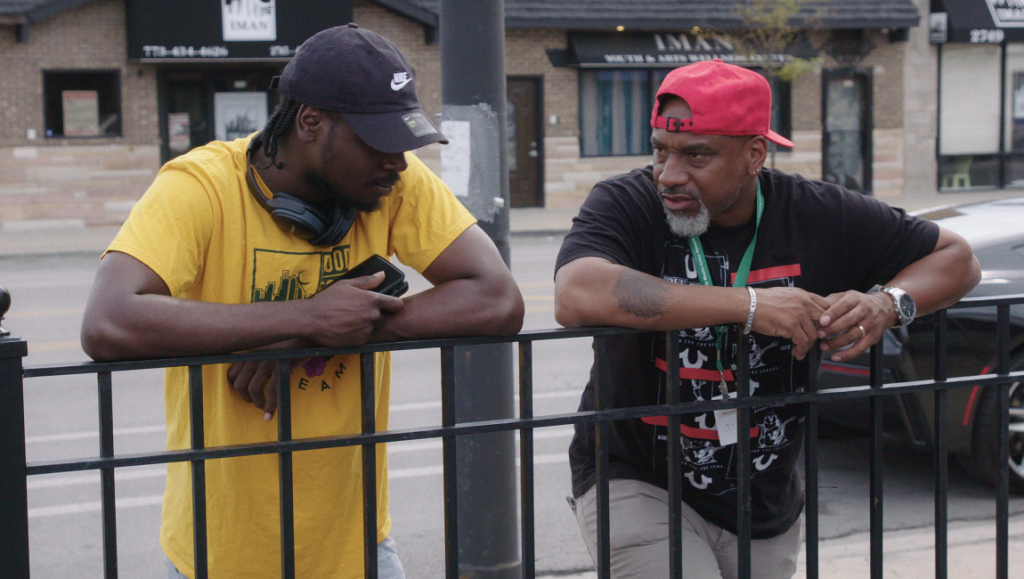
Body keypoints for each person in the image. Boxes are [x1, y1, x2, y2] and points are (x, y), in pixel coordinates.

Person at [80, 24, 524, 579]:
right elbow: (108, 321)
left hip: (359, 548)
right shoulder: (198, 186)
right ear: (311, 122)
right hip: (219, 555)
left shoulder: (393, 183)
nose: (399, 162)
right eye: (378, 141)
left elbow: (498, 298)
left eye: (405, 143)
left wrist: (313, 334)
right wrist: (308, 315)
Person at [553, 60, 979, 579]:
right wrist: (752, 305)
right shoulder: (627, 201)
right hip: (637, 478)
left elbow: (957, 259)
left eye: (696, 154)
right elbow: (576, 292)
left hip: (763, 501)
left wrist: (886, 305)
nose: (669, 174)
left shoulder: (816, 212)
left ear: (755, 153)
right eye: (660, 149)